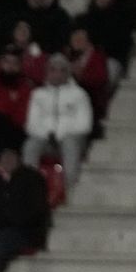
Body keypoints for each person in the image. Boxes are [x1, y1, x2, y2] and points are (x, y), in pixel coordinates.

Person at [21, 53, 93, 187]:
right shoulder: (38, 94)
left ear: (68, 73)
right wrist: (48, 134)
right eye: (53, 70)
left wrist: (60, 133)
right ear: (47, 72)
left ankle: (70, 188)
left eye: (62, 70)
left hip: (72, 139)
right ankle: (30, 188)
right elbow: (31, 124)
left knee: (70, 144)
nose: (57, 74)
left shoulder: (79, 94)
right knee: (30, 145)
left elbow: (85, 124)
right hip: (45, 139)